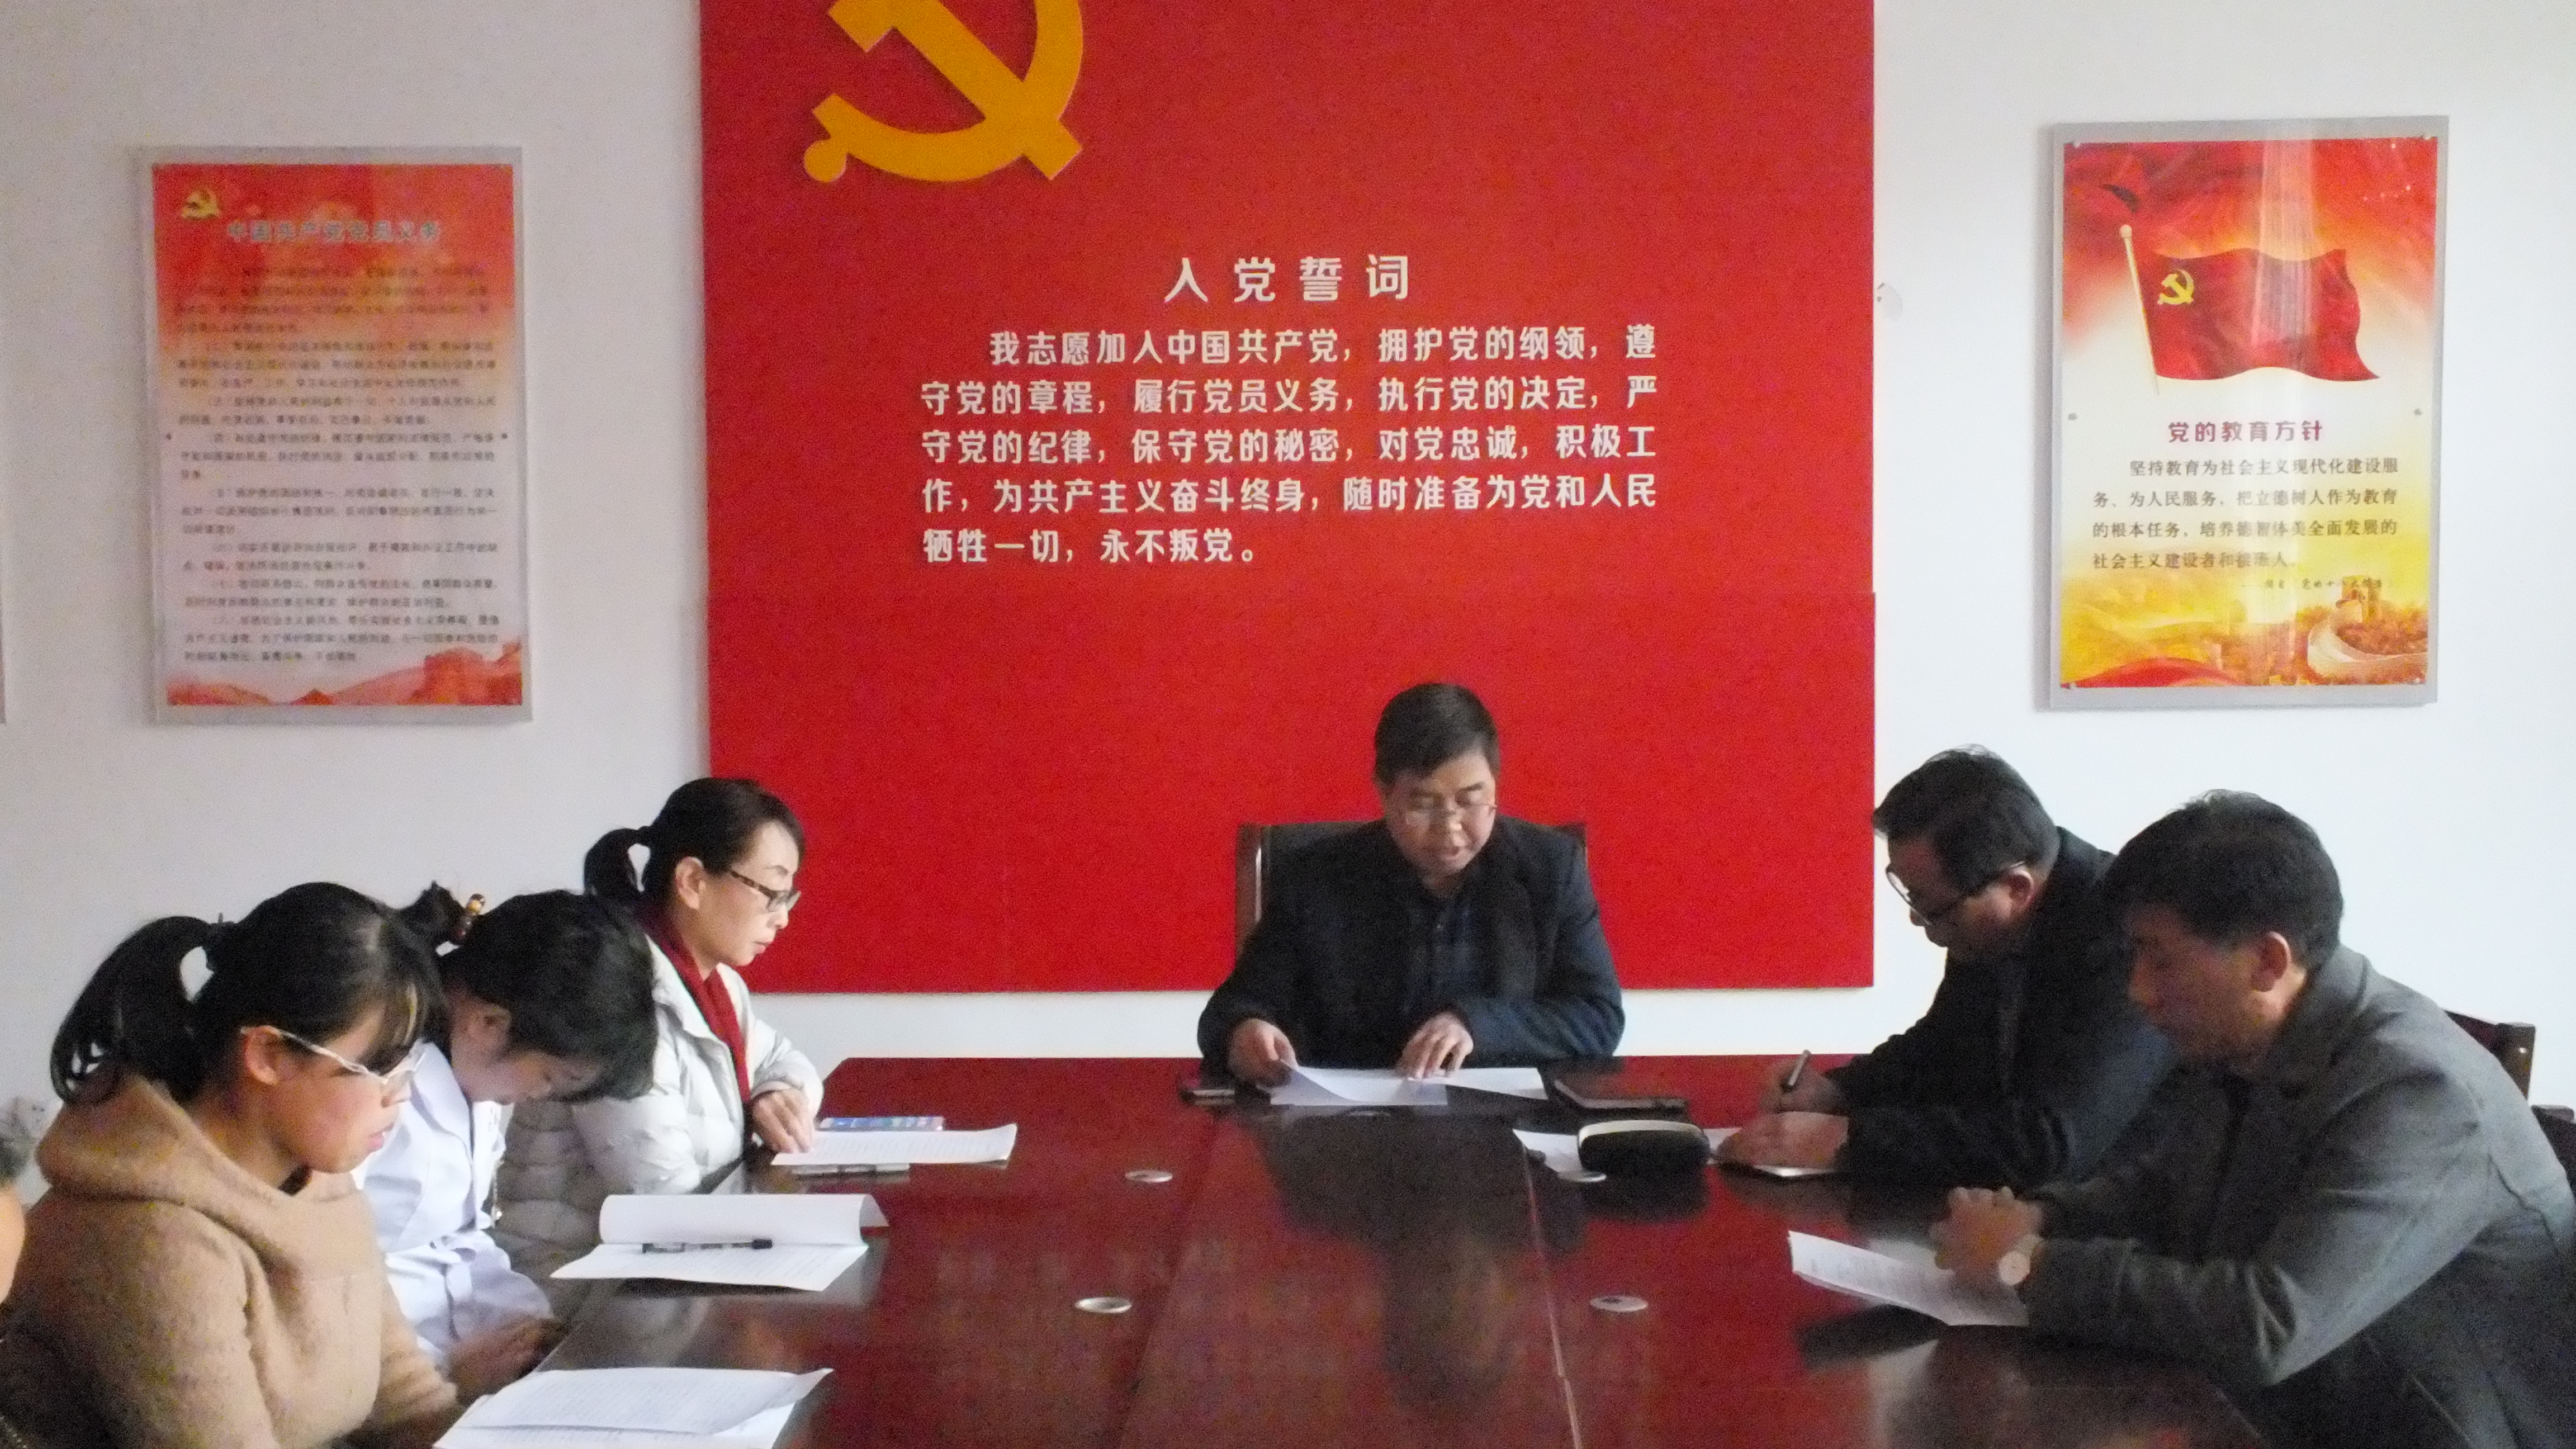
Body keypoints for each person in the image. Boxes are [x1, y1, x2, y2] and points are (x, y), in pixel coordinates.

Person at [1934, 793, 2576, 1449]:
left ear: (2268, 962)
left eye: (2161, 960)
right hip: (2289, 1408)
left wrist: (2030, 1266)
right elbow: (2167, 1188)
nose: (2137, 991)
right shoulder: (2252, 1037)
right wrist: (2042, 1217)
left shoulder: (2419, 1091)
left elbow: (2269, 1326)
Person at [11, 883, 461, 1449]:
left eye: (409, 1065)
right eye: (380, 1070)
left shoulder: (317, 1178)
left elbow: (409, 1404)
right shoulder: (151, 1234)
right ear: (268, 1056)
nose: (401, 1095)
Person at [1723, 748, 2170, 1184]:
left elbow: (2050, 1143)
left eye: (1933, 907)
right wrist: (1839, 1091)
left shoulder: (2127, 941)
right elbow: (1944, 1046)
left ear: (2016, 888)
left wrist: (1849, 1140)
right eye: (1911, 896)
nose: (1918, 920)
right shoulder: (1992, 924)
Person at [1197, 682, 1623, 1084]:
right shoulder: (1316, 878)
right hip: (1350, 1124)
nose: (1450, 828)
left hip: (1505, 1122)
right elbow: (1230, 1011)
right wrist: (1246, 1030)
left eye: (1471, 801)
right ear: (1384, 794)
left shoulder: (1550, 870)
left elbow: (1598, 1017)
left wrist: (1476, 1025)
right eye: (1424, 805)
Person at [495, 779, 825, 1296]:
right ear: (692, 881)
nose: (782, 918)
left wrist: (776, 1092)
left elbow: (784, 1059)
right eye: (771, 893)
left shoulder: (718, 986)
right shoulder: (618, 996)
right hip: (577, 1292)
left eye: (789, 896)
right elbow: (663, 1206)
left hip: (668, 1273)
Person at [355, 889, 658, 1399]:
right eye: (548, 1077)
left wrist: (531, 1329)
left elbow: (462, 1247)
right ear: (489, 1023)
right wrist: (442, 1372)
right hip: (388, 1388)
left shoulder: (474, 1085)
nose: (541, 1096)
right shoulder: (373, 1087)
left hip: (454, 1369)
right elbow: (325, 1279)